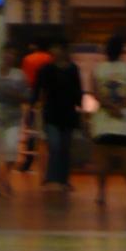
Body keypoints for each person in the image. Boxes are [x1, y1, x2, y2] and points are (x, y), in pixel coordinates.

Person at [90, 35, 126, 205]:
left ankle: (101, 193)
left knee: (102, 159)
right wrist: (120, 106)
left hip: (103, 119)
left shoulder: (98, 69)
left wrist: (109, 107)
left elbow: (95, 93)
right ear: (122, 51)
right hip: (123, 120)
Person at [32, 37, 84, 191]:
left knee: (65, 147)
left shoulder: (73, 69)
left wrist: (79, 106)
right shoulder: (46, 69)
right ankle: (52, 178)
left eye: (56, 47)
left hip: (68, 113)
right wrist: (34, 103)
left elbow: (77, 90)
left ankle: (63, 179)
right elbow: (38, 88)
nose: (53, 51)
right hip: (51, 112)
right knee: (54, 145)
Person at [0, 43, 28, 197]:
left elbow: (27, 96)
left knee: (12, 148)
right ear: (2, 53)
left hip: (13, 117)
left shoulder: (19, 75)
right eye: (7, 53)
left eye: (13, 54)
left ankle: (6, 177)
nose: (9, 56)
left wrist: (17, 96)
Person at [16, 40, 53, 173]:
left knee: (30, 127)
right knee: (46, 129)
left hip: (32, 94)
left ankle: (28, 161)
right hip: (48, 96)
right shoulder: (51, 59)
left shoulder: (28, 59)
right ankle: (48, 163)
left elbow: (24, 78)